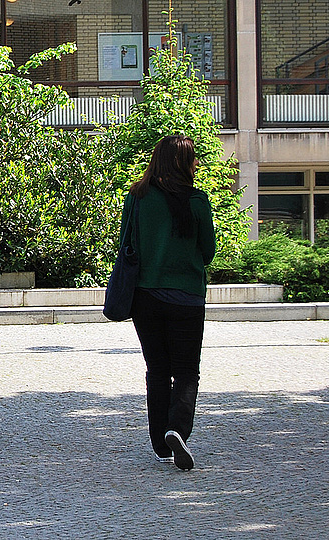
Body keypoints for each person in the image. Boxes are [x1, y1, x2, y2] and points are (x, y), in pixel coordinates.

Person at [124, 135, 216, 471]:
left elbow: (126, 244)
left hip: (145, 297)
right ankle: (177, 428)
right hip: (187, 297)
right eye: (193, 158)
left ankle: (161, 444)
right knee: (187, 371)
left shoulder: (137, 198)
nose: (197, 164)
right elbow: (208, 251)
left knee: (158, 371)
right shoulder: (197, 200)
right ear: (183, 163)